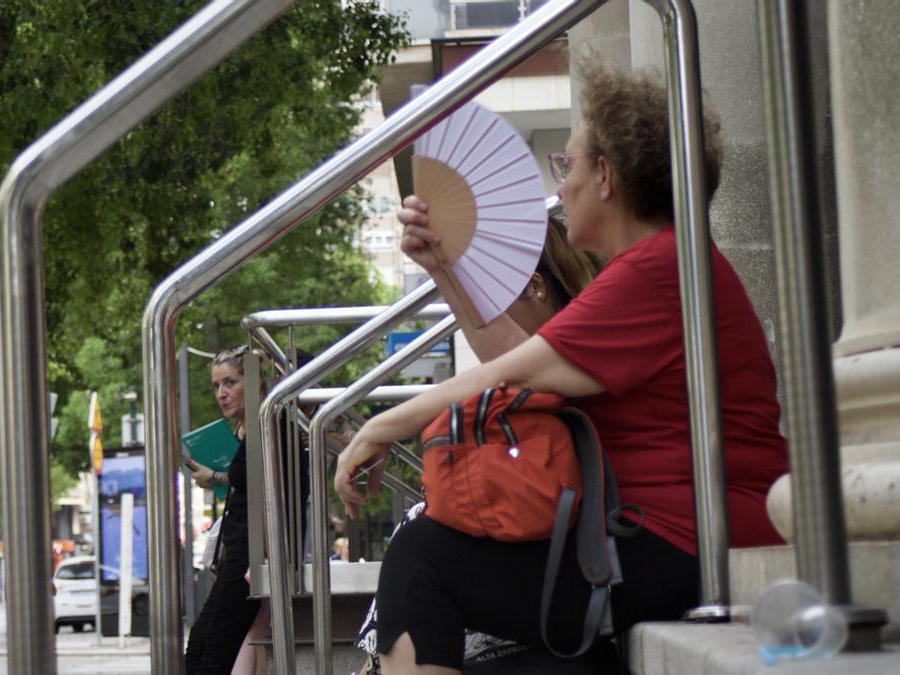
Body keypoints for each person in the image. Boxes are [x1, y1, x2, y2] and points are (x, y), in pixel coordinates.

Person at [335, 62, 789, 674]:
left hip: (685, 547)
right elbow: (521, 360)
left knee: (423, 556)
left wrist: (382, 423)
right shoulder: (664, 263)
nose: (562, 181)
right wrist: (445, 270)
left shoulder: (657, 270)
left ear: (605, 176)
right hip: (666, 542)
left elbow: (513, 374)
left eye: (566, 165)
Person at [354, 211, 604, 673]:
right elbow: (504, 356)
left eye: (496, 297)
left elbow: (504, 360)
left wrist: (380, 426)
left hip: (600, 567)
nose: (491, 315)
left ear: (534, 287)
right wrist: (443, 269)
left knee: (420, 547)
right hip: (586, 557)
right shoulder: (570, 343)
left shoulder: (581, 340)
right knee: (421, 538)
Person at [184, 345, 308, 675]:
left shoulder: (273, 426)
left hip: (251, 555)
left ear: (256, 382)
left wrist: (268, 554)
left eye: (230, 383)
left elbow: (283, 492)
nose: (221, 394)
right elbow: (254, 481)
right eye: (215, 386)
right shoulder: (252, 428)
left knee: (213, 651)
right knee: (200, 644)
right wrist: (216, 477)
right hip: (239, 552)